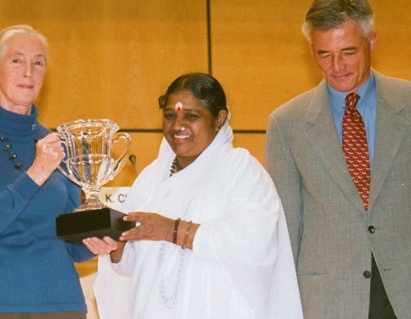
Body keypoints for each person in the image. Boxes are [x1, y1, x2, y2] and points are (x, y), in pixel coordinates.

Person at [264, 1, 411, 318]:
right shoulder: (286, 123)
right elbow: (287, 230)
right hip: (326, 303)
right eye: (324, 54)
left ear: (372, 41)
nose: (337, 66)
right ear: (311, 51)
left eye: (348, 51)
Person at [83, 73, 302, 319]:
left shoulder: (241, 171)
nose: (177, 126)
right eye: (170, 116)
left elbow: (253, 246)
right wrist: (115, 246)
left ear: (219, 120)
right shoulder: (150, 179)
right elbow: (132, 265)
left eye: (191, 116)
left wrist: (171, 230)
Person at [0, 25, 93, 319]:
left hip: (60, 303)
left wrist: (95, 240)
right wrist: (36, 172)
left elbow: (73, 246)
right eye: (17, 61)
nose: (28, 71)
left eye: (37, 63)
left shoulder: (60, 144)